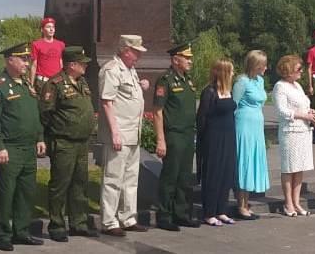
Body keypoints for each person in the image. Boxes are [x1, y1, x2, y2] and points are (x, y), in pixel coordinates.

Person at [0, 43, 47, 252]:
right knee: (6, 194)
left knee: (26, 192)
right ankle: (3, 234)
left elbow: (34, 115)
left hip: (29, 149)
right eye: (22, 59)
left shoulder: (27, 85)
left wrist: (40, 137)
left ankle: (22, 231)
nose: (27, 62)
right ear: (10, 60)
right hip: (10, 149)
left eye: (28, 59)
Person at [39, 46, 98, 242]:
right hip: (63, 142)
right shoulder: (54, 84)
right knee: (60, 186)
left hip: (82, 143)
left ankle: (78, 223)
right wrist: (48, 138)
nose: (85, 66)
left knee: (79, 184)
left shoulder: (82, 82)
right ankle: (56, 226)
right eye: (83, 63)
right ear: (72, 64)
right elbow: (45, 114)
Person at [98, 35, 150, 237]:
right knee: (113, 178)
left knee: (130, 179)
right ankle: (109, 221)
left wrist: (141, 85)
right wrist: (115, 132)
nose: (139, 55)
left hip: (133, 133)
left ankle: (128, 217)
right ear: (126, 50)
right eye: (136, 51)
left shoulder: (130, 69)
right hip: (119, 133)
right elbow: (106, 102)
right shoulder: (111, 69)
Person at [153, 43, 200, 231]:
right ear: (175, 60)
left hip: (188, 134)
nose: (190, 61)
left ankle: (181, 214)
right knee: (170, 177)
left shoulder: (188, 80)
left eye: (190, 58)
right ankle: (164, 216)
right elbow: (157, 111)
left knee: (185, 177)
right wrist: (160, 139)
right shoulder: (165, 81)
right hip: (173, 135)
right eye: (186, 58)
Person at [272, 54, 315, 217]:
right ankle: (288, 203)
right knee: (289, 168)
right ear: (288, 70)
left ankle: (297, 202)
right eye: (298, 69)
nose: (301, 71)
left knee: (299, 168)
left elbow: (304, 104)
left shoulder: (297, 86)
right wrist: (304, 115)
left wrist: (309, 112)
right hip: (290, 132)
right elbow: (281, 111)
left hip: (303, 132)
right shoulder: (280, 86)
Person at [196, 59, 237, 227]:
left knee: (226, 173)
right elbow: (202, 117)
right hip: (213, 138)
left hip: (229, 137)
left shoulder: (228, 91)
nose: (233, 73)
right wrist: (202, 139)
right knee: (213, 174)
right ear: (224, 72)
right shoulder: (209, 92)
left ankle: (221, 209)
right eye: (231, 71)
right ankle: (209, 212)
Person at [232, 50, 270, 220]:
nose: (265, 68)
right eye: (263, 65)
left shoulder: (259, 81)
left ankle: (247, 202)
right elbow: (233, 104)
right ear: (255, 65)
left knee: (253, 161)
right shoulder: (242, 81)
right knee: (245, 161)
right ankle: (240, 204)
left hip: (256, 126)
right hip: (244, 125)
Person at [30, 17, 65, 92]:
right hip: (43, 82)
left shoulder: (60, 44)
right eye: (48, 27)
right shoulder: (36, 44)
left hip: (58, 81)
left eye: (53, 27)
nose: (51, 29)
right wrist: (31, 85)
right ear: (42, 30)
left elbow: (60, 62)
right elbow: (34, 65)